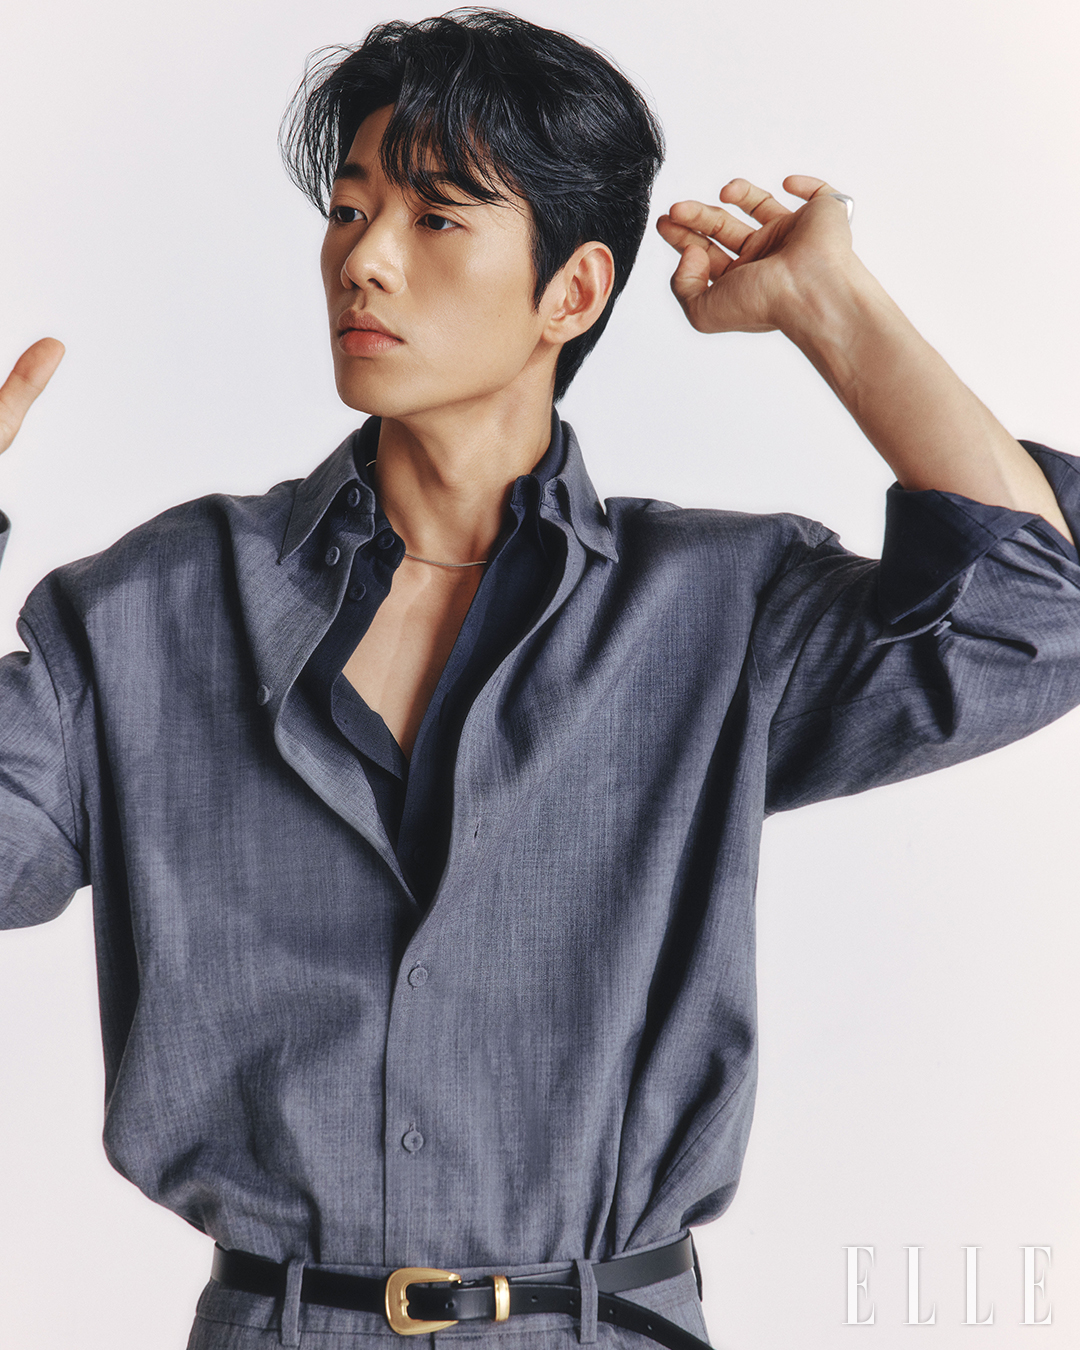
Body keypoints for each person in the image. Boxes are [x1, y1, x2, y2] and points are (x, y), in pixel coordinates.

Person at [2, 8, 1078, 1349]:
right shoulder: (155, 607)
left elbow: (1034, 620)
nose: (363, 259)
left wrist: (834, 311)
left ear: (572, 292)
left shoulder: (715, 608)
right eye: (350, 210)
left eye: (437, 218)